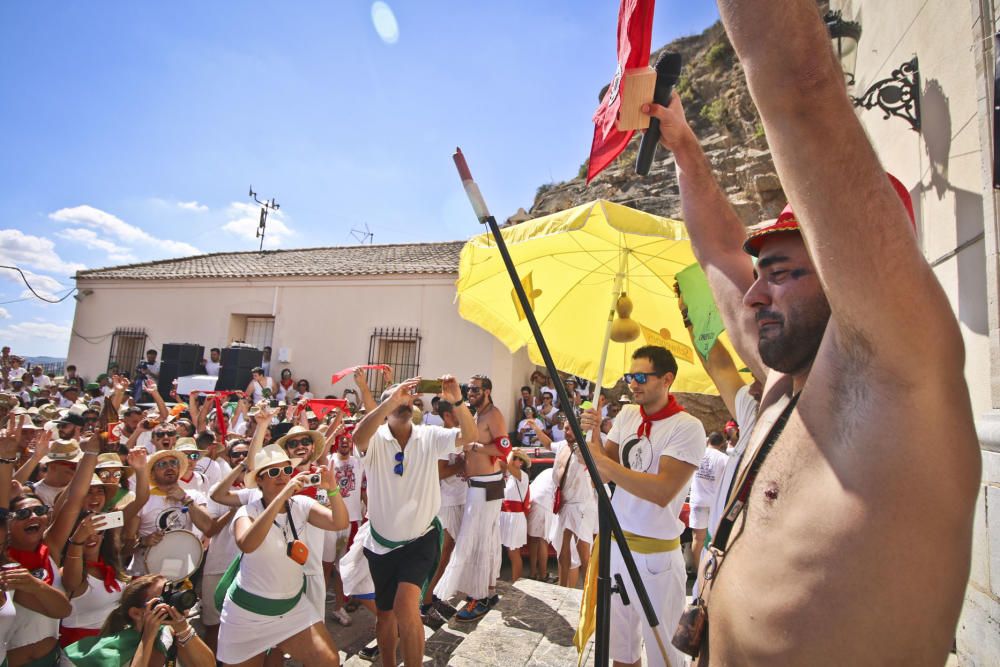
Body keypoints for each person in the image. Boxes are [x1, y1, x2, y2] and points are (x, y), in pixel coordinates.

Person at [642, 2, 979, 662]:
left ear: (856, 282)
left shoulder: (900, 378)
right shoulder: (783, 379)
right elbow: (716, 251)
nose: (757, 291)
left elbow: (801, 90)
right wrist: (683, 147)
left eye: (785, 273)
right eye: (762, 271)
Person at [579, 345, 706, 667]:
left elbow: (663, 490)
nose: (632, 383)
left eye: (640, 376)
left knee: (664, 658)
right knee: (620, 654)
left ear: (666, 379)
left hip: (656, 560)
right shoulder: (628, 415)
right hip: (614, 548)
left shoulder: (687, 427)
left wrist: (606, 467)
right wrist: (592, 435)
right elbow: (602, 473)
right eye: (629, 376)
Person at [351, 375, 476, 667]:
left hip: (421, 539)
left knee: (405, 606)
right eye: (397, 397)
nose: (404, 400)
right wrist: (390, 398)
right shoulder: (375, 440)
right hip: (381, 544)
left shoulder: (429, 436)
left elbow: (469, 437)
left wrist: (458, 400)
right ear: (385, 405)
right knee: (385, 614)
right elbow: (358, 437)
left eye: (408, 397)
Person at [215, 444, 346, 666]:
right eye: (274, 472)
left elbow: (339, 522)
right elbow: (248, 544)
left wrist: (332, 488)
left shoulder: (302, 504)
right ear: (260, 481)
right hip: (248, 615)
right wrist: (281, 497)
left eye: (287, 471)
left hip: (292, 608)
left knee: (328, 661)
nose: (282, 477)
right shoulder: (246, 511)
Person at [432, 375, 509, 622]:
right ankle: (486, 591)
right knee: (482, 539)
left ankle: (480, 598)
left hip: (486, 487)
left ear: (487, 390)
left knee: (476, 541)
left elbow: (504, 449)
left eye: (475, 389)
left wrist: (475, 448)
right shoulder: (477, 415)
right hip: (477, 485)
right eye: (468, 389)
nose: (471, 392)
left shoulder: (493, 414)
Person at [63, 574, 214, 667]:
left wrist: (183, 627)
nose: (170, 603)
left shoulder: (172, 634)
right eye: (162, 599)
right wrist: (147, 636)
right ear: (136, 613)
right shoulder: (111, 651)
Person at [539, 418, 595, 588]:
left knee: (583, 550)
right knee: (562, 548)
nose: (567, 432)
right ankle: (563, 588)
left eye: (571, 429)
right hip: (564, 504)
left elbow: (596, 463)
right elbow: (548, 445)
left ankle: (589, 591)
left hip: (581, 505)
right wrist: (536, 428)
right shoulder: (563, 445)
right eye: (565, 428)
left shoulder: (586, 448)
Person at [421, 400, 465, 621]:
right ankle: (425, 602)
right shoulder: (442, 439)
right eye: (459, 411)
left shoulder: (460, 437)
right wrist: (464, 465)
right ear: (448, 416)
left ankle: (434, 595)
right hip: (445, 502)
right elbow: (440, 472)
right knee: (442, 552)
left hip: (459, 499)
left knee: (450, 553)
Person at [688, 432, 729, 572]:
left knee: (697, 539)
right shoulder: (724, 459)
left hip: (697, 500)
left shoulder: (697, 454)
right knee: (715, 540)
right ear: (722, 444)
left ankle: (697, 571)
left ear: (708, 441)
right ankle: (711, 572)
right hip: (714, 503)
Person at [498, 449, 531, 583]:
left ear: (521, 463)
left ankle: (516, 583)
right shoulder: (509, 476)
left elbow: (507, 464)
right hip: (505, 515)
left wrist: (510, 452)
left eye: (517, 458)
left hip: (515, 517)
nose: (513, 459)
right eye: (514, 457)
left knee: (513, 552)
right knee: (505, 550)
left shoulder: (522, 475)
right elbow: (500, 463)